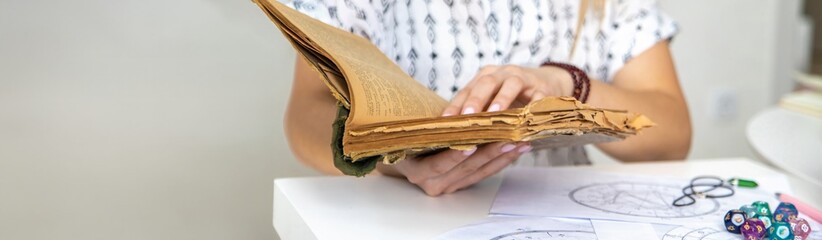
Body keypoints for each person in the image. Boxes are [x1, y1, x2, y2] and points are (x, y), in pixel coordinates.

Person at [283, 0, 692, 196]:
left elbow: (672, 136)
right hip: (398, 212)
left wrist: (566, 85)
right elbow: (305, 116)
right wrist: (392, 158)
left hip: (562, 213)